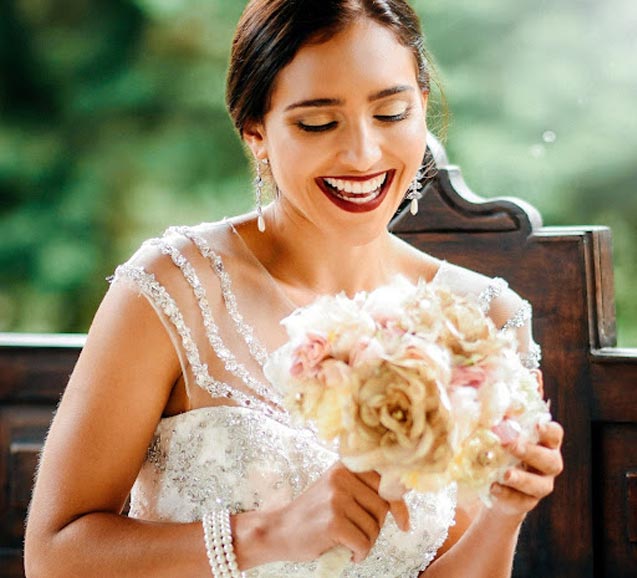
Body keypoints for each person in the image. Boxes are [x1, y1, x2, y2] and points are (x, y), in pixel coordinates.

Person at [24, 1, 564, 577]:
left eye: (392, 113)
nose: (363, 154)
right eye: (318, 123)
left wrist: (505, 512)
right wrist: (269, 533)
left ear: (422, 108)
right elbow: (55, 556)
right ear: (255, 132)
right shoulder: (172, 290)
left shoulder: (482, 321)